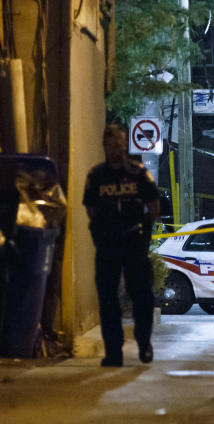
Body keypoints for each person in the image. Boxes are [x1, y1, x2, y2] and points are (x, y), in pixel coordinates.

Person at [83, 124, 161, 366]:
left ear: (124, 145)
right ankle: (113, 352)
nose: (115, 147)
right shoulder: (96, 176)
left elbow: (154, 205)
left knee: (142, 297)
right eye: (110, 143)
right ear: (104, 147)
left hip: (133, 242)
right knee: (108, 300)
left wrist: (144, 234)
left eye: (119, 143)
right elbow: (91, 208)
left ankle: (144, 343)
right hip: (108, 244)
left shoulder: (138, 173)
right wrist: (101, 233)